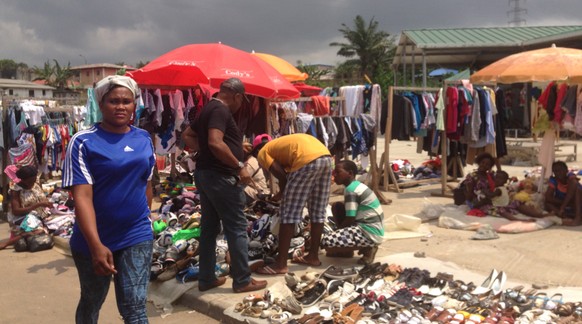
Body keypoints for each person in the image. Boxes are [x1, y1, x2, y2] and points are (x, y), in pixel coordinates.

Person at [62, 75, 156, 324]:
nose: (121, 106)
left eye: (127, 101)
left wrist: (145, 218)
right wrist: (95, 245)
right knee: (92, 301)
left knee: (135, 309)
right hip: (93, 239)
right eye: (114, 101)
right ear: (101, 105)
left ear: (135, 106)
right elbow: (81, 196)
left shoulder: (144, 139)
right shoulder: (83, 142)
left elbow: (147, 184)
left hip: (136, 234)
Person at [181, 78, 267, 293]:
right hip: (220, 177)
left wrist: (219, 150)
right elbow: (214, 142)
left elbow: (188, 135)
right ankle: (242, 280)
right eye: (242, 100)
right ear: (237, 96)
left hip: (206, 174)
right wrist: (239, 165)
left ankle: (207, 278)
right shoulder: (221, 110)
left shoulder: (209, 107)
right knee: (236, 227)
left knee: (209, 228)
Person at [252, 133, 333, 275]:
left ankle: (280, 264)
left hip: (307, 161)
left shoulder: (263, 152)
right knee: (318, 211)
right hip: (326, 158)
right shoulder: (281, 145)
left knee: (288, 214)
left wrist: (280, 196)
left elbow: (283, 177)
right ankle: (313, 256)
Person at [321, 160, 384, 265]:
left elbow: (350, 218)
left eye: (338, 172)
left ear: (350, 173)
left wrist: (336, 233)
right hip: (372, 228)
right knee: (337, 207)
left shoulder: (351, 190)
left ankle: (369, 248)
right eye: (334, 173)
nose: (335, 175)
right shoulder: (356, 185)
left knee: (326, 242)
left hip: (369, 233)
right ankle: (346, 251)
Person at [0, 165, 53, 250]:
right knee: (38, 230)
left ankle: (26, 234)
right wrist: (38, 205)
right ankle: (9, 242)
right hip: (22, 217)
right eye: (30, 181)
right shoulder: (16, 190)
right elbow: (16, 211)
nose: (33, 183)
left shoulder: (36, 182)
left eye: (34, 179)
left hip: (39, 213)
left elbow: (40, 196)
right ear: (23, 180)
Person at [545, 161, 582, 226]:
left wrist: (563, 206)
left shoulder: (571, 176)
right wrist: (566, 203)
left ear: (566, 170)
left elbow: (574, 183)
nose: (558, 173)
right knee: (547, 203)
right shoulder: (554, 181)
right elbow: (548, 197)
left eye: (560, 170)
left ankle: (578, 218)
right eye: (555, 171)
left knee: (577, 189)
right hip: (567, 205)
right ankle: (564, 216)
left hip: (578, 203)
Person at [242, 135, 271, 204]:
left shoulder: (251, 162)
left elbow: (241, 179)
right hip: (262, 192)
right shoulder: (262, 162)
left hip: (256, 195)